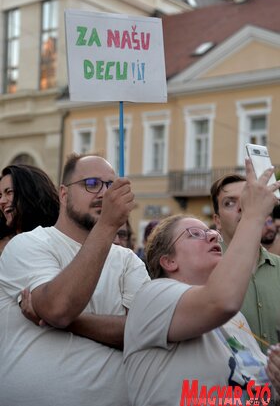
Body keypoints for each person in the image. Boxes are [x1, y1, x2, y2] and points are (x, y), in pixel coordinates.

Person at [123, 160, 280, 406]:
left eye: (212, 235)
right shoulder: (153, 296)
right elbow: (222, 300)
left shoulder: (236, 319)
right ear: (168, 261)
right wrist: (253, 214)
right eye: (195, 234)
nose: (211, 236)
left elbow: (255, 389)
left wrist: (274, 379)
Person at [0, 154, 150, 406]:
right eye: (91, 183)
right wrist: (108, 224)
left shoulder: (128, 260)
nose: (104, 194)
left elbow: (143, 331)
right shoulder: (29, 244)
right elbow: (58, 307)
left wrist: (70, 322)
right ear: (63, 193)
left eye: (111, 185)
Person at [211, 172, 280, 353]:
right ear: (217, 220)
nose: (242, 207)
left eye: (248, 198)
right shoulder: (206, 271)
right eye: (229, 203)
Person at [0, 164, 60, 253]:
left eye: (9, 192)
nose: (2, 201)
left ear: (30, 193)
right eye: (0, 195)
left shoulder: (54, 240)